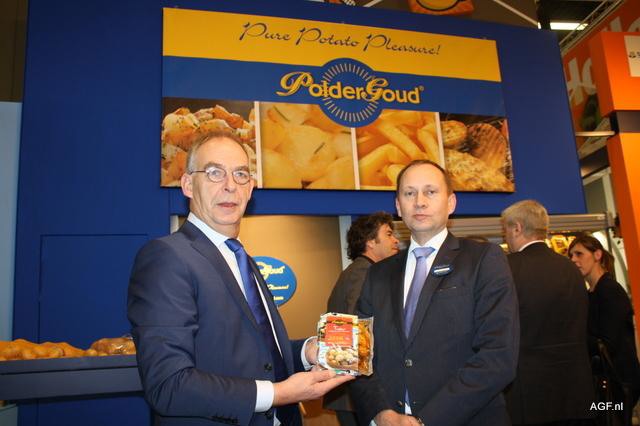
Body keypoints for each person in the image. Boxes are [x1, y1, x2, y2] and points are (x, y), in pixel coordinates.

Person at [127, 131, 352, 426]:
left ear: (250, 189)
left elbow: (259, 356)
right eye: (214, 173)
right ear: (187, 185)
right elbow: (168, 385)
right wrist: (278, 394)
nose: (230, 186)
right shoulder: (167, 257)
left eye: (241, 174)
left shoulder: (241, 258)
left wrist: (308, 352)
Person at [350, 159, 519, 426]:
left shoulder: (483, 259)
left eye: (430, 191)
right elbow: (359, 354)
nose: (419, 202)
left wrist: (425, 421)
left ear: (451, 203)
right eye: (409, 193)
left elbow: (497, 356)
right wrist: (380, 413)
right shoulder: (378, 274)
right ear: (398, 206)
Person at [501, 200, 595, 425]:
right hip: (574, 389)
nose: (505, 236)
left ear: (517, 228)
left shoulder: (506, 268)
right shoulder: (570, 268)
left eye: (505, 230)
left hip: (528, 393)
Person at [324, 212, 400, 426]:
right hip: (357, 394)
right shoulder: (364, 273)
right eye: (388, 234)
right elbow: (360, 333)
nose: (396, 240)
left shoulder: (356, 271)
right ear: (370, 241)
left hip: (351, 391)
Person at [569, 234, 640, 425]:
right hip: (604, 382)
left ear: (597, 255)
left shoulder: (609, 291)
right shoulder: (591, 293)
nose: (573, 259)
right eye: (571, 255)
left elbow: (609, 343)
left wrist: (574, 336)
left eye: (579, 254)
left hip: (617, 384)